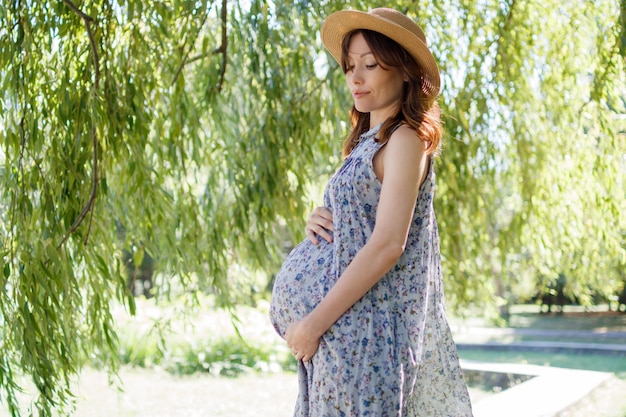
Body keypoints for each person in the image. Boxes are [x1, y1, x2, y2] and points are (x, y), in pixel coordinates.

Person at [270, 7, 474, 417]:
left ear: (402, 71)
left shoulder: (405, 139)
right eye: (349, 67)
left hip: (362, 341)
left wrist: (312, 324)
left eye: (370, 65)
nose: (355, 78)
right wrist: (320, 218)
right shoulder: (369, 141)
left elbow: (387, 245)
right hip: (342, 339)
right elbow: (360, 224)